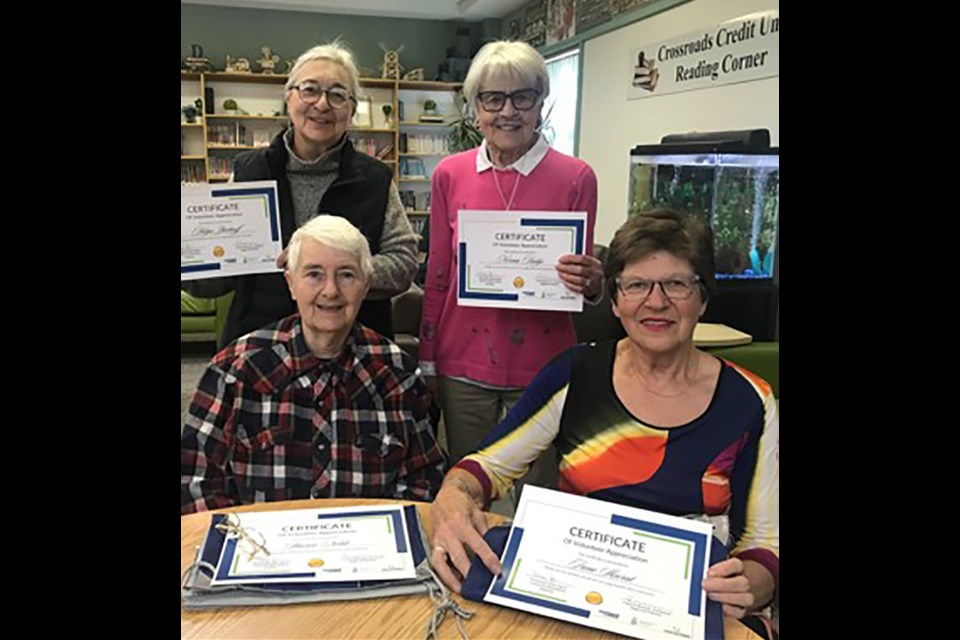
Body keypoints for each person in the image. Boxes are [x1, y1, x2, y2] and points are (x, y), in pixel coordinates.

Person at [429, 210, 779, 625]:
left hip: (692, 610)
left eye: (677, 284)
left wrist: (752, 583)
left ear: (702, 298)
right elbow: (485, 468)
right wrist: (455, 495)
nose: (656, 301)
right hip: (575, 601)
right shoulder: (575, 374)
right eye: (636, 285)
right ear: (614, 300)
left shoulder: (750, 400)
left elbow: (765, 541)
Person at [181, 215, 446, 514]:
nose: (330, 290)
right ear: (291, 283)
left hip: (367, 553)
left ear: (367, 285)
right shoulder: (233, 371)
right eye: (314, 274)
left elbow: (423, 481)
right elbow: (195, 482)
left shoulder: (399, 374)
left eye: (346, 275)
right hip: (259, 553)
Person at [419, 40, 604, 466]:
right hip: (462, 360)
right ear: (475, 108)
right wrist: (428, 358)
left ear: (541, 102)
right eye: (493, 98)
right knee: (469, 486)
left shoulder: (576, 178)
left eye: (522, 97)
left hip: (545, 361)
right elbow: (439, 275)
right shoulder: (450, 174)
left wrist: (592, 283)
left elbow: (582, 280)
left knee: (537, 498)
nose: (508, 111)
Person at [184, 41, 418, 346]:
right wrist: (192, 259)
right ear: (288, 97)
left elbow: (404, 264)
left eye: (337, 95)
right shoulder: (247, 172)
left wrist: (340, 271)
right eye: (310, 90)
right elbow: (213, 280)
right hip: (261, 347)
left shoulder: (376, 179)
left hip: (355, 354)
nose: (322, 104)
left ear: (351, 109)